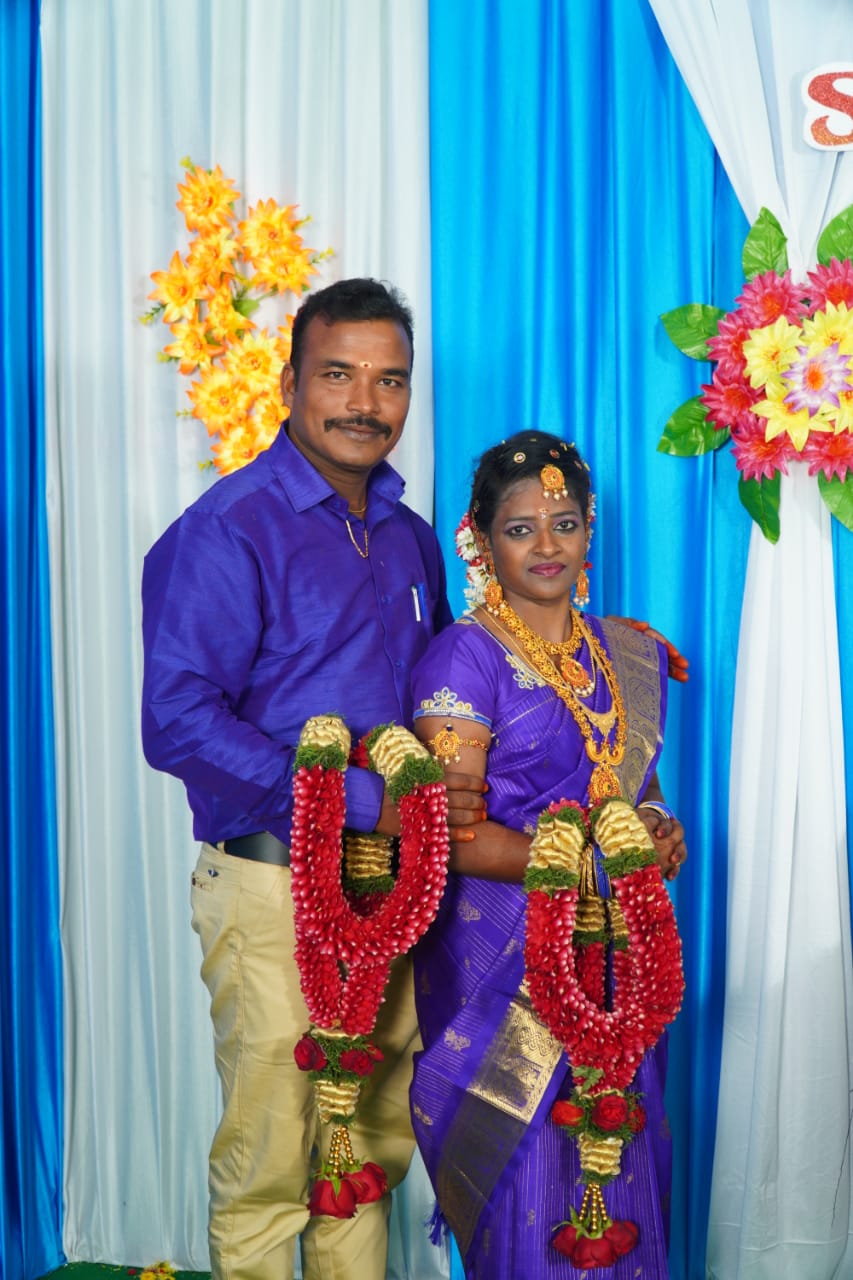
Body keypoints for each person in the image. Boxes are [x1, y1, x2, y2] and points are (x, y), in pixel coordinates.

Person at [140, 277, 486, 1280]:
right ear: (289, 383)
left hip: (394, 890)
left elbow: (446, 684)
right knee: (272, 1157)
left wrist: (581, 646)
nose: (364, 403)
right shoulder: (228, 528)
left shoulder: (407, 534)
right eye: (338, 374)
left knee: (367, 1152)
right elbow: (177, 722)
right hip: (273, 885)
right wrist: (366, 800)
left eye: (390, 380)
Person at [408, 431, 687, 1278]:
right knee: (529, 1173)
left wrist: (656, 827)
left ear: (588, 530)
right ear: (479, 540)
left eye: (563, 524)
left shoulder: (620, 650)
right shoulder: (464, 656)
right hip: (505, 960)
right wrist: (597, 866)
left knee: (617, 1152)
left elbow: (633, 785)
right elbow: (453, 833)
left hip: (616, 952)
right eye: (519, 528)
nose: (546, 546)